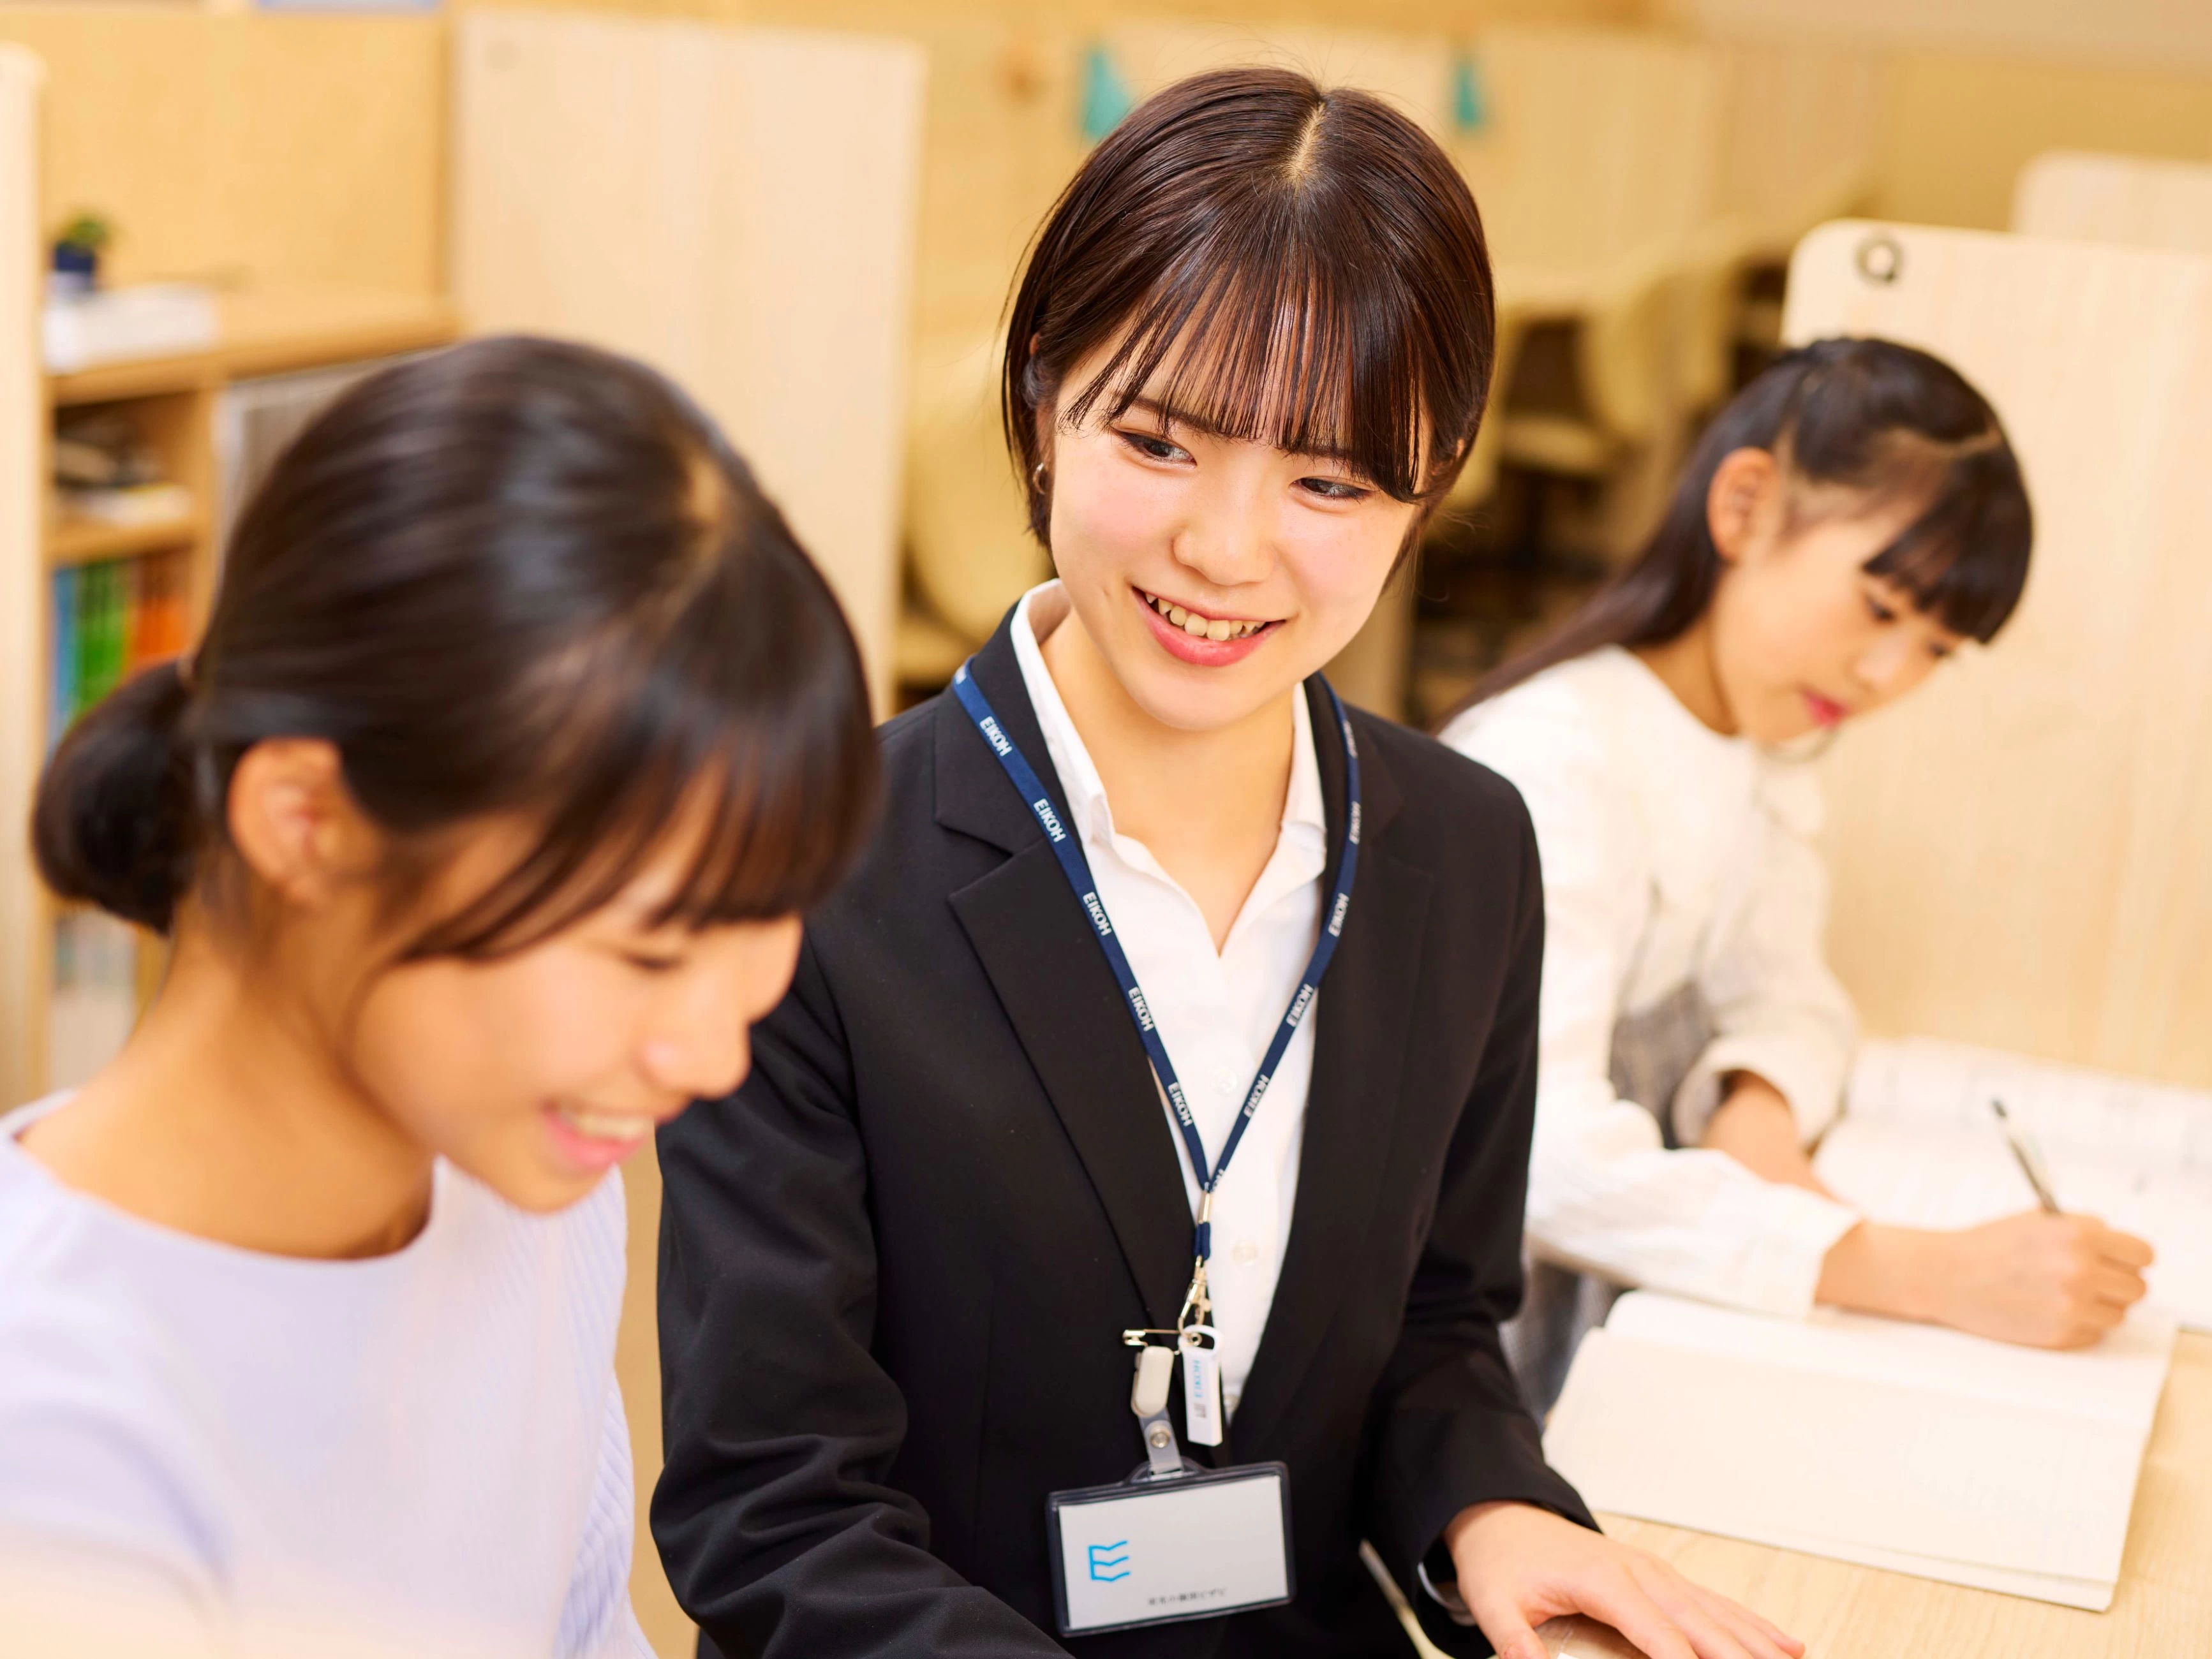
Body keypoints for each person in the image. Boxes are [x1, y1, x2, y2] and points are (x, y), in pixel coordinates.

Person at [653, 69, 1799, 1659]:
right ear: (1045, 396)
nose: (1226, 549)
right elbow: (771, 1506)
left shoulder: (1464, 851)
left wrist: (1492, 1505)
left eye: (1328, 481)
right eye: (1158, 441)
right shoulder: (806, 857)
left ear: (1430, 481)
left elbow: (1433, 1332)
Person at [0, 337, 878, 1656]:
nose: (710, 1057)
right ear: (304, 821)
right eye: (646, 952)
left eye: (762, 930)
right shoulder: (51, 1427)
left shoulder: (526, 1190)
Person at [1440, 338, 2155, 1407]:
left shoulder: (1756, 744)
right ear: (1743, 507)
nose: (1884, 677)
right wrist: (1922, 1272)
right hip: (1459, 1347)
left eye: (1933, 649)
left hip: (1597, 1310)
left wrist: (1754, 1102)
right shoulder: (1555, 763)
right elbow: (1536, 1156)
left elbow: (1791, 996)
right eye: (1877, 609)